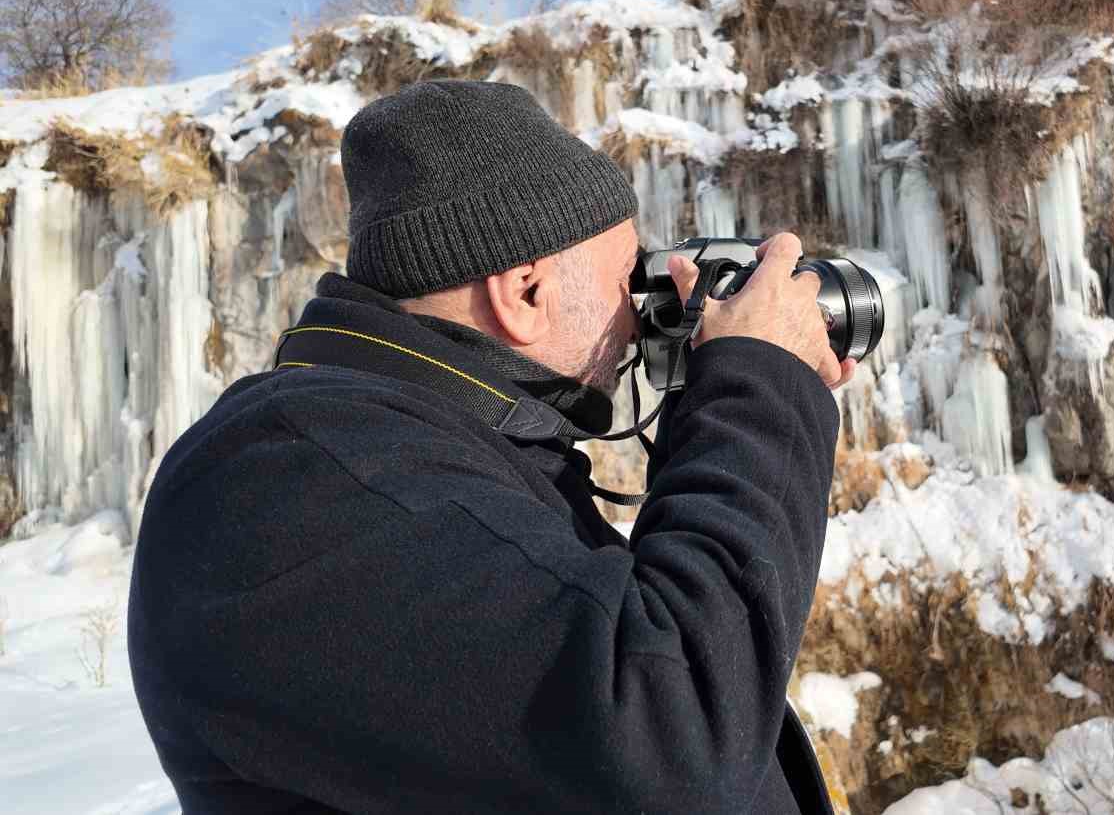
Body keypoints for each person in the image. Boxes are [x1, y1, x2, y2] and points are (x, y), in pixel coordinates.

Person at [129, 79, 855, 814]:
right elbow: (671, 741)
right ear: (524, 293)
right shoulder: (290, 472)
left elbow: (622, 649)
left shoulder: (417, 449)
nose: (638, 316)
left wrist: (713, 410)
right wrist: (760, 386)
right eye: (622, 276)